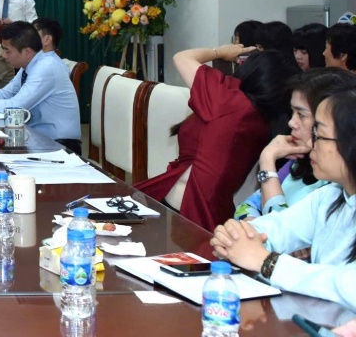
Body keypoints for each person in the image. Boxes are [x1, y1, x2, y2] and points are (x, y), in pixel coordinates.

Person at [210, 91, 356, 310]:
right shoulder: (331, 195)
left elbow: (348, 284)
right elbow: (279, 228)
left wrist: (267, 262)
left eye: (319, 134)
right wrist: (237, 236)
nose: (311, 142)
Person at [135, 45, 299, 229]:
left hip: (189, 209)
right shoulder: (264, 121)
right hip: (208, 212)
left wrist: (221, 52)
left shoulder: (230, 101)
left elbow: (182, 57)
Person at [235, 68, 356, 220]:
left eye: (301, 115)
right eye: (292, 112)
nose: (291, 123)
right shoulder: (299, 162)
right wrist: (251, 223)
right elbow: (247, 206)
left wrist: (267, 160)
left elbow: (280, 227)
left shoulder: (337, 182)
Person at [0, 22, 80, 152]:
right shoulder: (29, 65)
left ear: (27, 52)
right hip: (36, 137)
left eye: (7, 51)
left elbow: (16, 106)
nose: (3, 55)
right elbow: (5, 93)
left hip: (60, 144)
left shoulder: (46, 67)